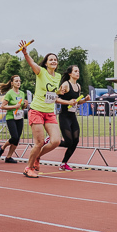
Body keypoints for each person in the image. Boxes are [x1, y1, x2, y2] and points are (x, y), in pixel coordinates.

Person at [19, 40, 71, 178]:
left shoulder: (58, 76)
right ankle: (28, 168)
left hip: (49, 112)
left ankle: (37, 157)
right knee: (39, 142)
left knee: (56, 141)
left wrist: (60, 92)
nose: (53, 61)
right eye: (51, 59)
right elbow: (32, 64)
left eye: (55, 59)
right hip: (36, 110)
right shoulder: (41, 72)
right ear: (46, 63)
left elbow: (52, 94)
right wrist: (26, 54)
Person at [57, 65, 90, 171]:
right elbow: (56, 98)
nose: (78, 73)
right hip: (64, 116)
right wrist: (68, 102)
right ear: (70, 73)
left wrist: (84, 100)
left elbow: (77, 102)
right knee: (68, 142)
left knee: (75, 141)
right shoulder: (66, 84)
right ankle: (51, 141)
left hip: (72, 116)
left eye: (78, 71)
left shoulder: (78, 86)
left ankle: (64, 163)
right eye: (75, 71)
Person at [0, 75, 27, 163]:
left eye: (19, 81)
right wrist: (14, 106)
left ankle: (8, 157)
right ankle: (2, 147)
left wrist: (25, 105)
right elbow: (2, 106)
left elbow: (21, 108)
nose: (18, 83)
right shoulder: (10, 93)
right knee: (14, 137)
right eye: (16, 81)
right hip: (11, 117)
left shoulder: (22, 93)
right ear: (12, 83)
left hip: (19, 117)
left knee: (17, 140)